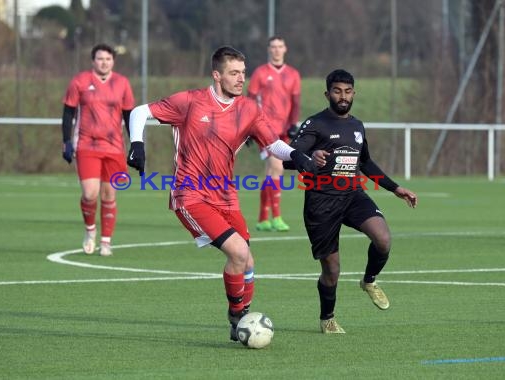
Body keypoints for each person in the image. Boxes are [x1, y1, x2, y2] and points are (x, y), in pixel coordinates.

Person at [126, 46, 315, 341]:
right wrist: (136, 143)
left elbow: (273, 143)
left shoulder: (249, 109)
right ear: (217, 75)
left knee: (248, 261)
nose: (241, 79)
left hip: (225, 195)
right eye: (234, 73)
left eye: (243, 72)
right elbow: (139, 112)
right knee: (238, 252)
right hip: (190, 194)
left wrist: (298, 156)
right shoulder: (189, 102)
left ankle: (240, 318)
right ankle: (237, 316)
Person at [285, 69, 418, 334]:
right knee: (332, 270)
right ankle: (327, 318)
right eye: (337, 91)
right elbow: (290, 156)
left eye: (347, 91)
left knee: (383, 238)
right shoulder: (315, 124)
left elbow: (365, 162)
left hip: (352, 195)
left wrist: (395, 188)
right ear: (327, 94)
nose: (343, 97)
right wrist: (311, 158)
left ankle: (369, 281)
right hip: (321, 202)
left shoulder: (357, 126)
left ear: (354, 93)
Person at [61, 43, 135, 257]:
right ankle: (90, 231)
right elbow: (68, 113)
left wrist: (135, 145)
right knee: (90, 193)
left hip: (114, 148)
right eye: (100, 59)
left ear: (113, 61)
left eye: (108, 59)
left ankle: (106, 241)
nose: (104, 62)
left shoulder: (122, 83)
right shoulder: (80, 81)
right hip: (87, 145)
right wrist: (66, 141)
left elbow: (129, 116)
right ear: (93, 61)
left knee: (109, 195)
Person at [247, 36, 301, 232]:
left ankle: (263, 218)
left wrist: (293, 124)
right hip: (264, 128)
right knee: (276, 167)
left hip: (284, 130)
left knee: (271, 172)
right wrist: (248, 126)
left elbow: (295, 102)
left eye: (280, 46)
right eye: (273, 47)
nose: (277, 50)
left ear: (285, 48)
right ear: (268, 49)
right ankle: (277, 217)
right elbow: (250, 100)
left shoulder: (293, 74)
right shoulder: (260, 73)